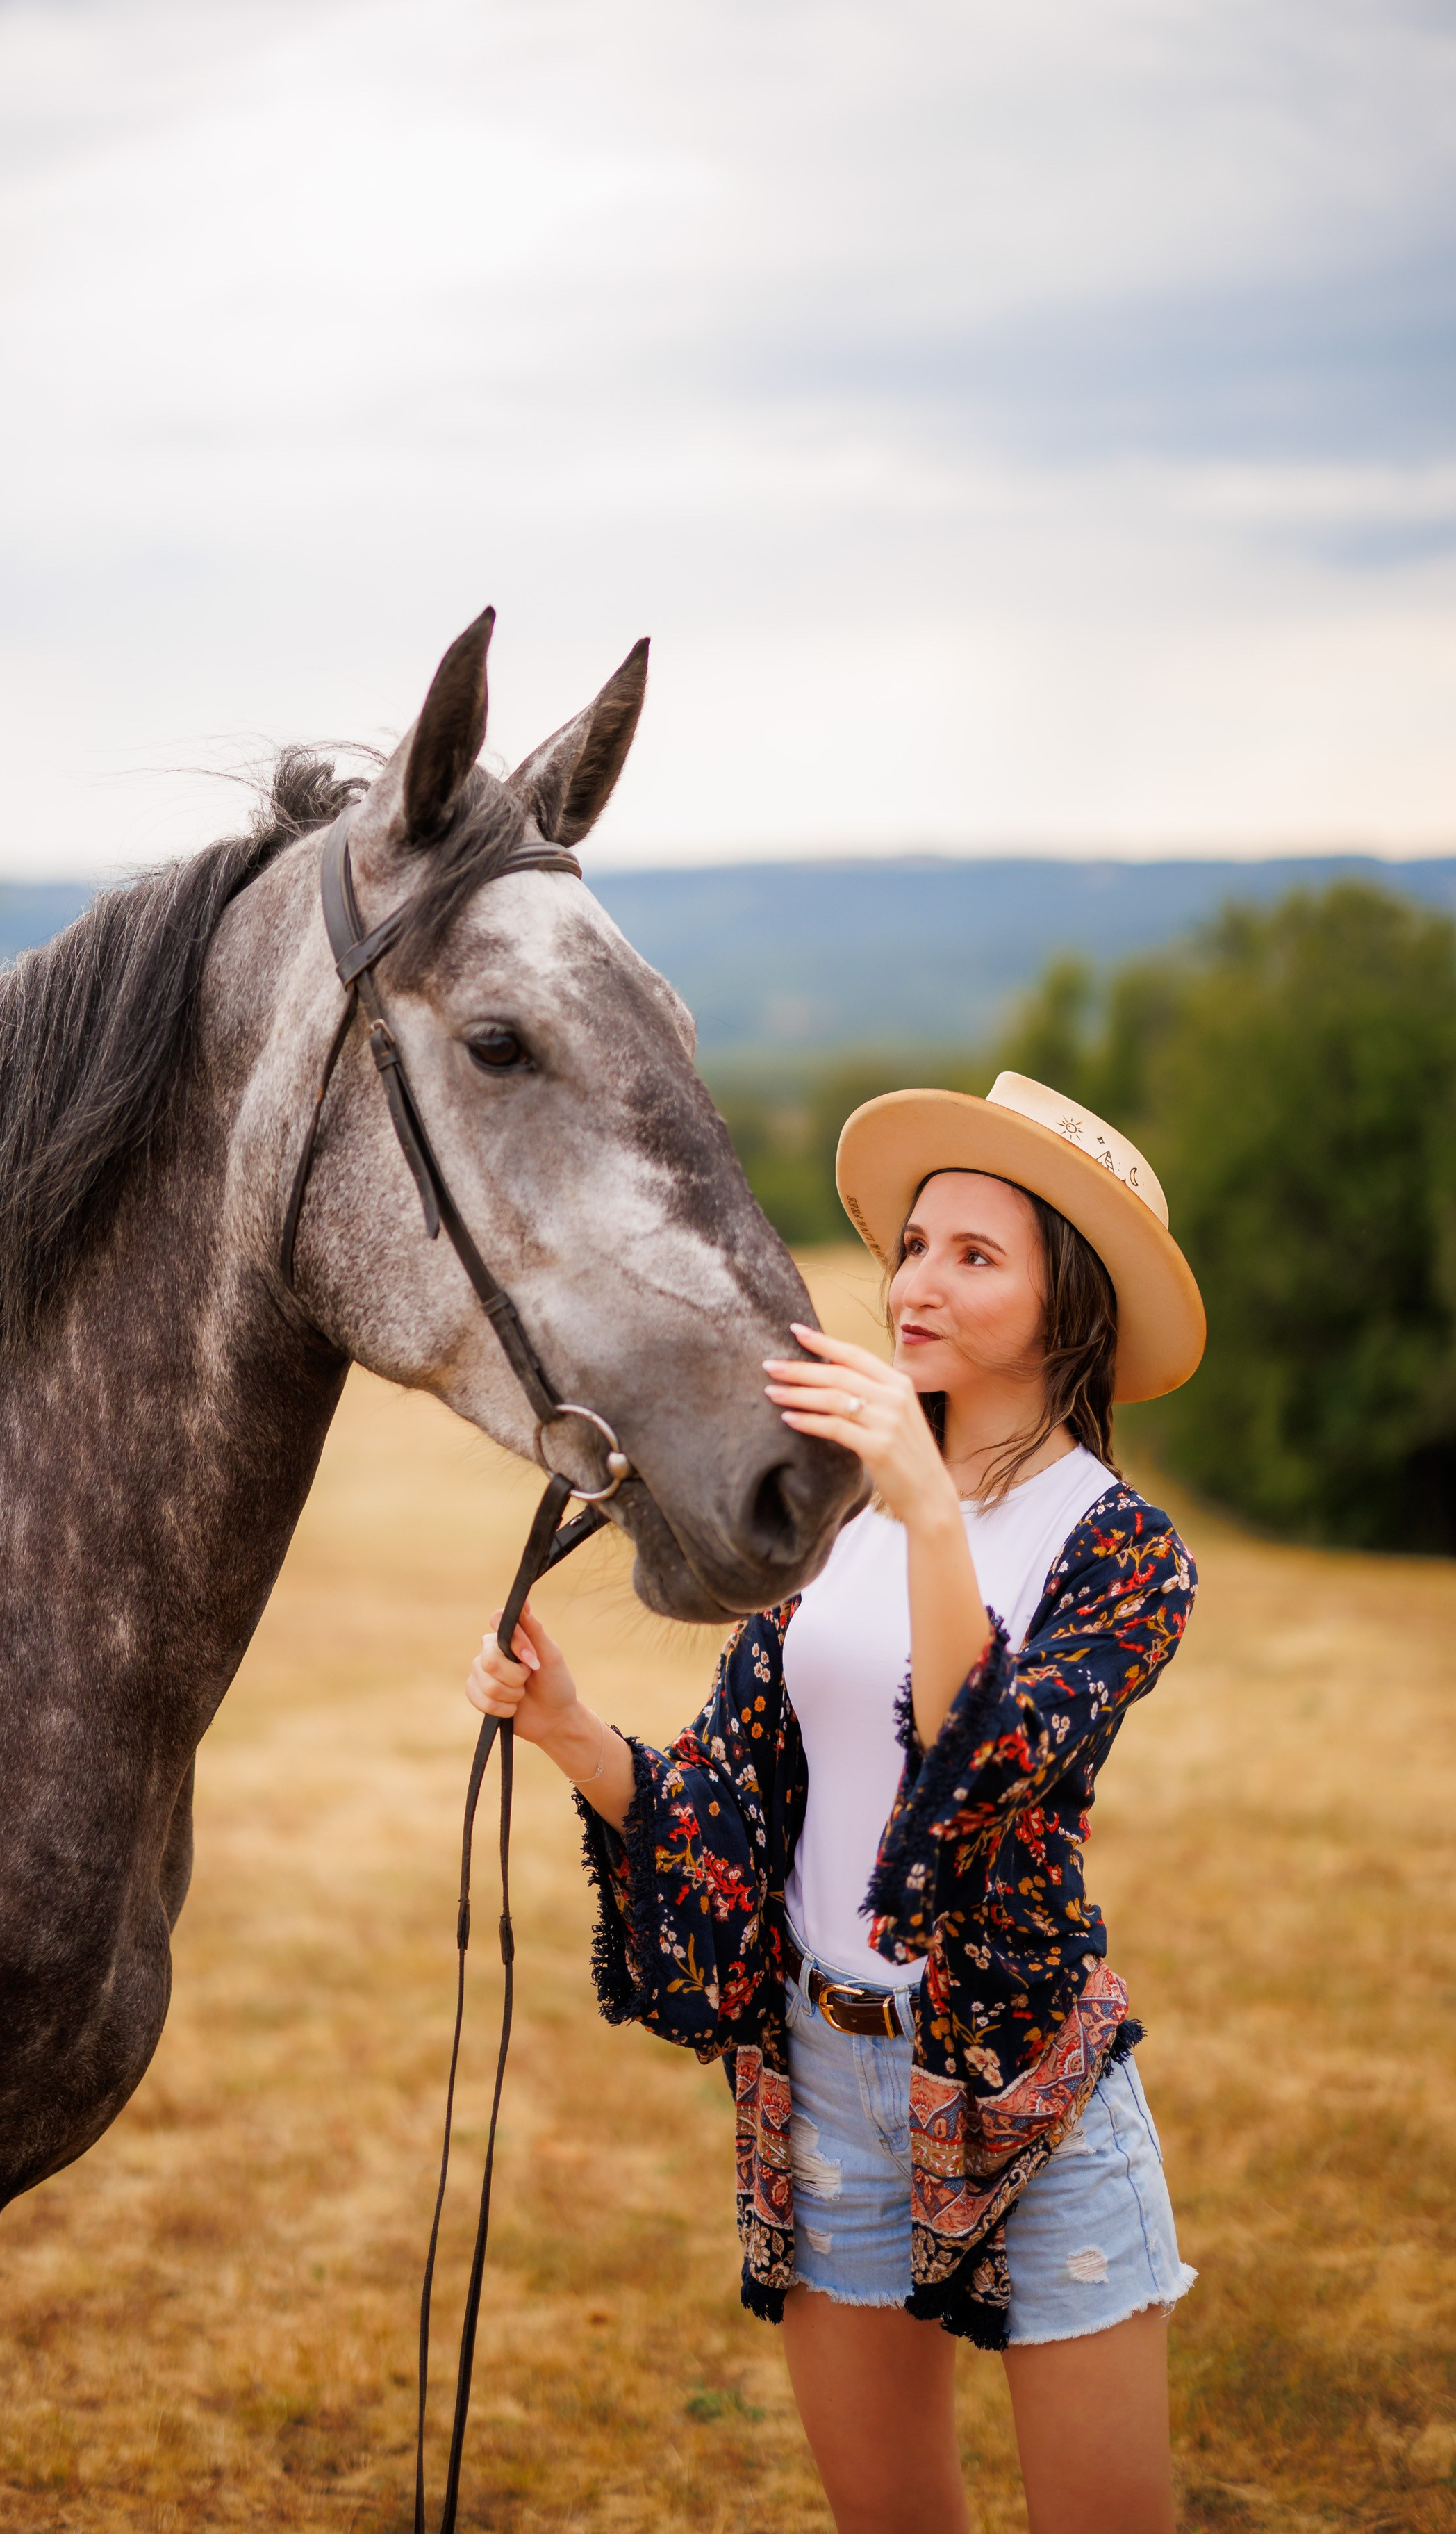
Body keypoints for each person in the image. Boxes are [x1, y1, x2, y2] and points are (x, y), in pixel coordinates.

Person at [465, 1071, 1207, 2534]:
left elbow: (982, 1766)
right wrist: (566, 1732)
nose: (914, 1282)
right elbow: (731, 1811)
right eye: (914, 1245)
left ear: (1071, 1313)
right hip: (821, 2082)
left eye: (974, 1257)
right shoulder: (846, 1523)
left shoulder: (1121, 1552)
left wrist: (932, 1502)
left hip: (1020, 2094)